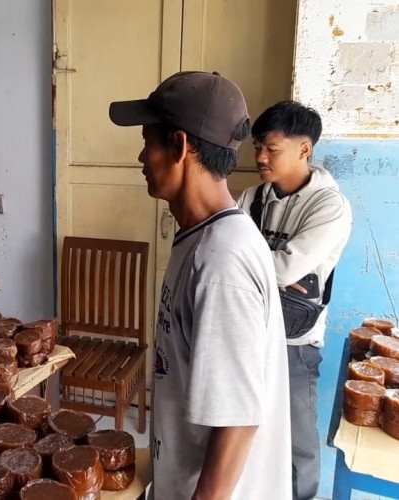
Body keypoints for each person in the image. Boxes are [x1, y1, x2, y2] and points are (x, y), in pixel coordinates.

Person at [109, 72, 292, 499]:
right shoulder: (201, 236)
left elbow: (238, 421)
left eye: (147, 142)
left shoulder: (222, 260)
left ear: (180, 146)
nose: (140, 157)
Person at [237, 101, 352, 500]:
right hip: (247, 332)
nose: (260, 158)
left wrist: (262, 270)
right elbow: (222, 258)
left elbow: (283, 271)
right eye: (257, 148)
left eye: (272, 148)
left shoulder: (329, 207)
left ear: (304, 149)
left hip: (294, 344)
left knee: (297, 442)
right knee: (243, 429)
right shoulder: (252, 197)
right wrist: (274, 272)